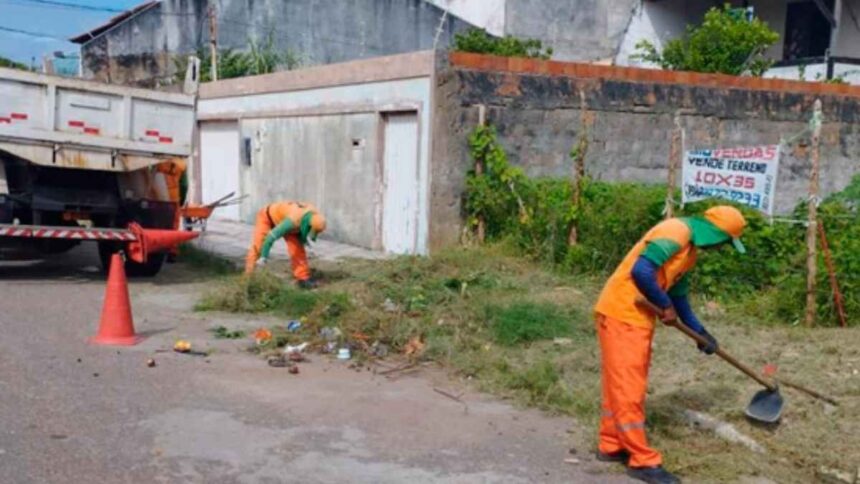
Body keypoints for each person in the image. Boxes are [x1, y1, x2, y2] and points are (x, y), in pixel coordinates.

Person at [592, 205, 747, 484]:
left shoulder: (688, 252)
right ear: (717, 234)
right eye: (725, 242)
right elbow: (642, 271)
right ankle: (641, 460)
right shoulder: (675, 231)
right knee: (630, 386)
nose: (722, 248)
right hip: (623, 313)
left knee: (619, 383)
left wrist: (701, 333)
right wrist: (664, 306)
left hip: (634, 317)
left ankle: (611, 443)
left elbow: (679, 297)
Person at [244, 201, 326, 289]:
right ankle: (249, 276)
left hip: (286, 219)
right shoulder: (293, 220)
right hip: (267, 217)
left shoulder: (314, 215)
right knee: (259, 246)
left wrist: (304, 240)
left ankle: (303, 278)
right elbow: (271, 237)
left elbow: (304, 228)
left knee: (297, 249)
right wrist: (264, 256)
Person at [155, 158, 187, 262]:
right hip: (174, 198)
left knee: (158, 223)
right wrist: (181, 200)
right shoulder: (182, 164)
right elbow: (184, 185)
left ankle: (157, 247)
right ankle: (172, 252)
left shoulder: (157, 161)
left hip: (159, 196)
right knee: (174, 225)